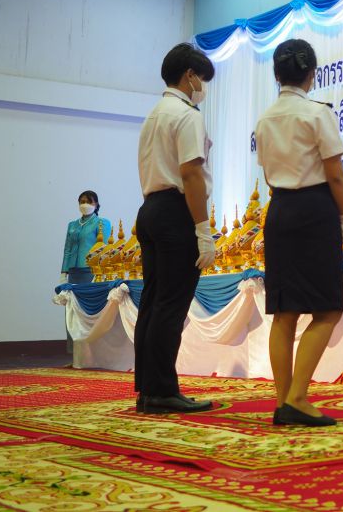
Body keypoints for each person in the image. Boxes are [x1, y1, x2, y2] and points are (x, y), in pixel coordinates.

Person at [255, 39, 343, 428]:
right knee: (327, 309)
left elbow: (267, 175)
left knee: (285, 312)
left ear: (276, 75)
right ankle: (297, 398)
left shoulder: (265, 119)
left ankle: (283, 402)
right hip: (315, 210)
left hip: (279, 210)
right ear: (312, 74)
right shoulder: (318, 112)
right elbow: (335, 174)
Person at [134, 43, 217, 415]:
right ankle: (163, 391)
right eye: (203, 79)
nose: (204, 87)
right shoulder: (186, 114)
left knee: (153, 302)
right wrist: (203, 230)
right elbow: (190, 173)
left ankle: (148, 389)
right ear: (190, 75)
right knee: (171, 304)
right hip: (175, 210)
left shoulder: (154, 114)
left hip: (150, 208)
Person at [61, 191, 111, 284]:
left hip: (91, 270)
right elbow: (67, 249)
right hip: (73, 271)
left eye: (89, 202)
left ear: (96, 204)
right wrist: (63, 273)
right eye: (82, 202)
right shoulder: (72, 225)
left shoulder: (101, 223)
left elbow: (104, 248)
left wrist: (102, 272)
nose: (85, 204)